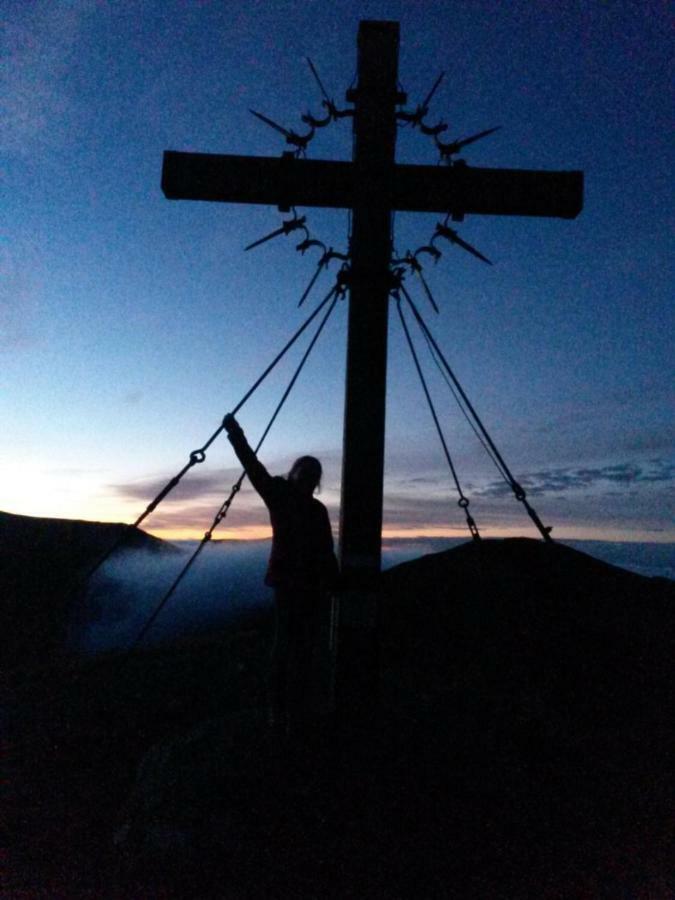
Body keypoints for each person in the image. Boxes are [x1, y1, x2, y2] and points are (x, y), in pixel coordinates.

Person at [223, 413, 339, 736]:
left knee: (296, 649)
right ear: (299, 474)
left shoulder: (303, 504)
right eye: (307, 471)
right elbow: (253, 466)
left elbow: (326, 549)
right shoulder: (287, 497)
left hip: (301, 585)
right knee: (292, 648)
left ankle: (288, 712)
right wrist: (236, 435)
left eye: (312, 474)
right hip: (296, 585)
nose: (308, 477)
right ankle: (283, 712)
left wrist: (333, 581)